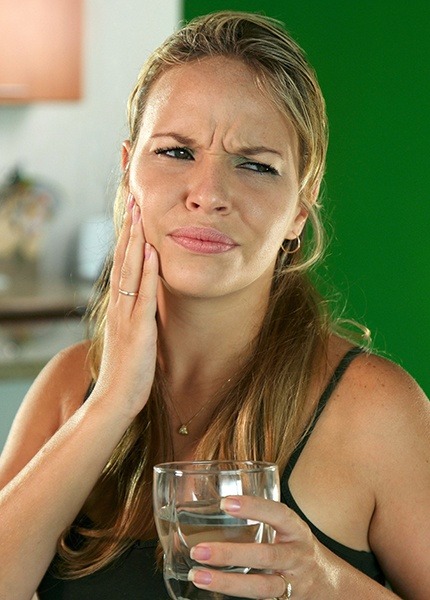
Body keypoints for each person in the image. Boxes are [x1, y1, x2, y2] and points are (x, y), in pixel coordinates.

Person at [0, 10, 429, 600]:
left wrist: (321, 581)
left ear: (299, 211)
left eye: (255, 165)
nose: (209, 194)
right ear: (129, 173)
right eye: (177, 152)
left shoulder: (375, 411)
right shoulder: (70, 387)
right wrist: (113, 403)